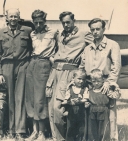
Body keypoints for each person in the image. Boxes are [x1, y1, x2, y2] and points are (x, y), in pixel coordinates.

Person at [46, 11, 93, 140]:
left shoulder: (83, 35)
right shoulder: (59, 34)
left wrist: (83, 66)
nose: (66, 25)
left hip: (69, 72)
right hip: (54, 72)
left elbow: (95, 46)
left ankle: (69, 137)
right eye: (63, 23)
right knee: (51, 108)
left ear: (74, 21)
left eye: (68, 22)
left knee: (60, 108)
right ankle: (57, 138)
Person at [79, 18, 121, 140]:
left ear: (104, 29)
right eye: (92, 29)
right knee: (90, 116)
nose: (95, 32)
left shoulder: (113, 45)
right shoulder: (87, 48)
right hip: (90, 85)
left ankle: (111, 138)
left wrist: (109, 82)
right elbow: (82, 66)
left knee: (109, 116)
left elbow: (116, 66)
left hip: (105, 85)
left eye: (98, 29)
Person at [0, 8, 32, 141]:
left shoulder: (27, 30)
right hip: (7, 66)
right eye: (11, 16)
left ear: (19, 17)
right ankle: (11, 130)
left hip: (22, 65)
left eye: (15, 16)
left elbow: (33, 49)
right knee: (10, 98)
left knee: (20, 98)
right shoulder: (0, 33)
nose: (13, 19)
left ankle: (20, 131)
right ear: (7, 17)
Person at [25, 10, 58, 141]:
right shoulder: (32, 33)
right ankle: (34, 131)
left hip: (44, 64)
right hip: (32, 64)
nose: (38, 25)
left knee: (40, 99)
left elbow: (59, 49)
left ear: (45, 21)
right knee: (31, 98)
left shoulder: (53, 32)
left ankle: (42, 133)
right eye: (36, 22)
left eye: (41, 22)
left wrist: (53, 59)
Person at [85, 69, 120, 141]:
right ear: (91, 81)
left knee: (103, 131)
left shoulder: (106, 90)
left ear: (103, 80)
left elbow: (116, 96)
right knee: (92, 130)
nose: (96, 83)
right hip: (92, 113)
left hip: (104, 113)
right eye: (94, 81)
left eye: (98, 81)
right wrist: (86, 104)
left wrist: (115, 86)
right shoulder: (89, 91)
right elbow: (85, 100)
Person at [61, 69, 88, 141]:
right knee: (70, 128)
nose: (81, 81)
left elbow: (86, 99)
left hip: (81, 113)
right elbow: (65, 100)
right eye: (79, 79)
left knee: (81, 128)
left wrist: (80, 101)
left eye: (83, 79)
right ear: (73, 78)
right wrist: (69, 102)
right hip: (71, 112)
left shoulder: (84, 89)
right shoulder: (69, 88)